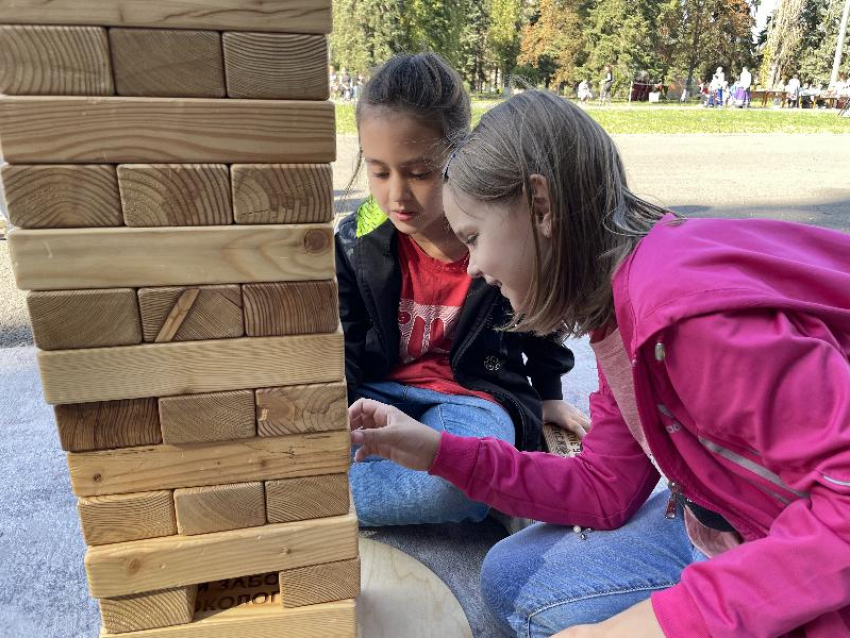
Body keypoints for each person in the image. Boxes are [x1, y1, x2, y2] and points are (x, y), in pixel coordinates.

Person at [349, 89, 850, 636]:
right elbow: (606, 487)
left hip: (803, 549)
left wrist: (652, 624)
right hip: (728, 518)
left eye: (474, 238)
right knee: (511, 576)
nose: (473, 269)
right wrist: (440, 452)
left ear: (539, 206)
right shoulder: (616, 314)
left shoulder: (684, 318)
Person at [337, 57, 586, 528]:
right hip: (376, 388)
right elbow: (346, 339)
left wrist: (548, 394)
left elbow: (540, 317)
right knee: (298, 452)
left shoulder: (495, 234)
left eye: (419, 172)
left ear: (459, 156)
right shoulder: (355, 243)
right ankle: (483, 488)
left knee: (452, 484)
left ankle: (318, 502)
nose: (397, 195)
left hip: (470, 398)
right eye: (380, 172)